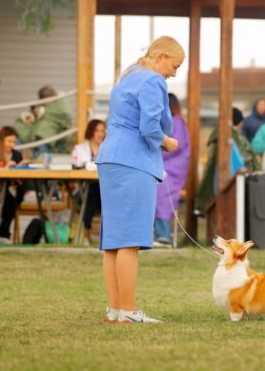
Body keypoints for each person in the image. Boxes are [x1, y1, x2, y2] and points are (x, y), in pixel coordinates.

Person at [95, 36, 184, 323]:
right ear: (160, 57)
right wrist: (166, 141)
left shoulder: (127, 78)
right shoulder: (153, 81)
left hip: (110, 158)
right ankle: (130, 311)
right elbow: (149, 127)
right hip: (134, 160)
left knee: (113, 241)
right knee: (130, 240)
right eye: (174, 65)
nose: (174, 73)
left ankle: (116, 310)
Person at [194, 107, 258, 214]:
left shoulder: (221, 134)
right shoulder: (232, 136)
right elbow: (243, 158)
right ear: (238, 122)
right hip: (232, 180)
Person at [154, 93, 190, 246]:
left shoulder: (177, 122)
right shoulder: (169, 122)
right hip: (165, 165)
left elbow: (176, 146)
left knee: (162, 191)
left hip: (173, 168)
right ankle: (155, 233)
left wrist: (156, 153)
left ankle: (164, 235)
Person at [72, 119, 106, 243]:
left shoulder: (108, 148)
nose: (100, 134)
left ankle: (107, 236)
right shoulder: (79, 149)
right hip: (83, 191)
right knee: (91, 194)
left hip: (105, 190)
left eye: (102, 131)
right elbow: (76, 166)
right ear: (91, 131)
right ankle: (86, 235)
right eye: (97, 130)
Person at [15, 85, 72, 156]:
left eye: (46, 99)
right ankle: (16, 157)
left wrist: (44, 112)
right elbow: (35, 109)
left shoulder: (61, 103)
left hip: (49, 133)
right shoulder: (41, 104)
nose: (45, 103)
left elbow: (64, 117)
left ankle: (42, 158)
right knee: (19, 138)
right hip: (35, 130)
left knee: (42, 136)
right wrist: (31, 116)